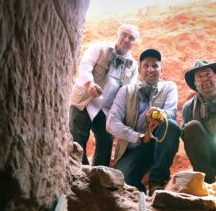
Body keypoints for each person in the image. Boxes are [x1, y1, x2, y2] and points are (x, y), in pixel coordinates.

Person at [106, 49, 181, 195]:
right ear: (139, 69)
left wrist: (157, 114)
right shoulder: (125, 91)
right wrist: (139, 137)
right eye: (146, 66)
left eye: (155, 66)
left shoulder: (169, 87)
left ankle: (157, 182)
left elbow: (171, 112)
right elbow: (111, 122)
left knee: (171, 125)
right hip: (132, 148)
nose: (150, 70)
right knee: (124, 183)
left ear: (161, 69)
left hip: (157, 145)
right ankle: (142, 194)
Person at [69, 24, 139, 166]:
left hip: (107, 110)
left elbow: (129, 92)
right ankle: (78, 171)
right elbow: (85, 66)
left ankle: (97, 177)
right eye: (124, 35)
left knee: (106, 142)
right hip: (85, 102)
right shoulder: (98, 48)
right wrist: (90, 85)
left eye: (131, 38)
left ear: (134, 43)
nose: (126, 39)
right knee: (77, 138)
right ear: (117, 35)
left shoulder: (133, 66)